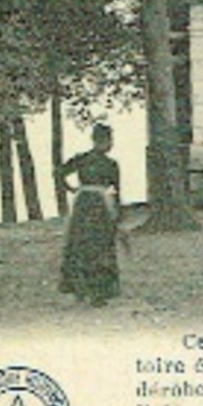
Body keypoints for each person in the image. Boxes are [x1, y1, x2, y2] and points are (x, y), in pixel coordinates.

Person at [59, 122, 122, 306]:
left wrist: (73, 190)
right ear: (101, 140)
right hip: (99, 206)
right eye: (108, 140)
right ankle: (96, 293)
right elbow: (118, 190)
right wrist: (117, 213)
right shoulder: (110, 164)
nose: (110, 144)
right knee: (99, 247)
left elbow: (59, 173)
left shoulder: (82, 159)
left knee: (80, 246)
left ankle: (82, 290)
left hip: (83, 205)